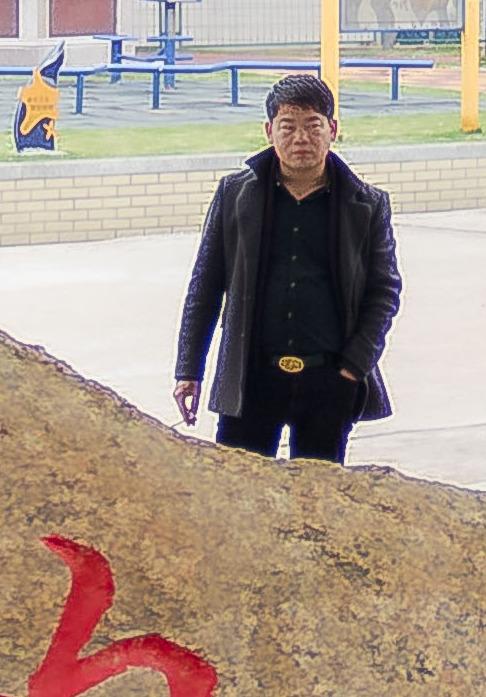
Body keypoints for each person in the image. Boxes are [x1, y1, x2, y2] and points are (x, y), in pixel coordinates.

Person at [170, 72, 398, 460]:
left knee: (318, 493)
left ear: (332, 129)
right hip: (251, 378)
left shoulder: (367, 204)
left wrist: (354, 367)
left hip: (330, 380)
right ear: (269, 131)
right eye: (288, 126)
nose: (301, 138)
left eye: (313, 126)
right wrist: (188, 369)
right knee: (241, 488)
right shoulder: (235, 194)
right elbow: (205, 285)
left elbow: (385, 291)